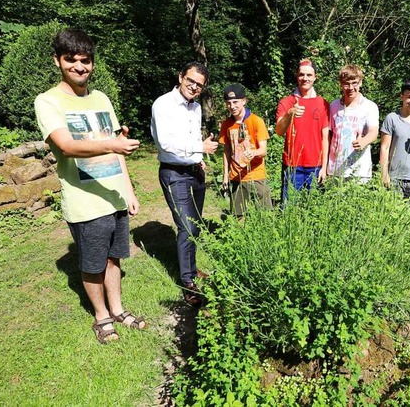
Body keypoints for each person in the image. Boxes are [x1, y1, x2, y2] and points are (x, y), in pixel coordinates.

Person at [34, 27, 145, 344]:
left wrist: (129, 190)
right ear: (58, 60)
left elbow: (117, 146)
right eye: (71, 60)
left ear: (92, 63)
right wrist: (113, 145)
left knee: (114, 259)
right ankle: (101, 317)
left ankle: (119, 310)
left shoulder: (101, 98)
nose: (79, 67)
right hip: (85, 202)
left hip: (114, 196)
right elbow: (66, 146)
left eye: (85, 60)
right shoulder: (48, 101)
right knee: (94, 263)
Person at [150, 61, 219, 307]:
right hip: (174, 174)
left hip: (194, 171)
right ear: (181, 77)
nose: (194, 87)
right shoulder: (163, 104)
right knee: (187, 228)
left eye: (199, 85)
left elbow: (190, 137)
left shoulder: (196, 108)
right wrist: (199, 147)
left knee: (195, 225)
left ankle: (190, 268)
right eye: (190, 81)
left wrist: (198, 159)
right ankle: (187, 283)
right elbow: (166, 143)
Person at [275, 58, 330, 201]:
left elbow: (325, 138)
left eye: (309, 75)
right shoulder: (286, 102)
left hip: (316, 167)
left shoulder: (323, 103)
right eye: (301, 75)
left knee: (313, 210)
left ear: (315, 77)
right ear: (296, 76)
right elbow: (279, 131)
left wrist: (324, 167)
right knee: (289, 210)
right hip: (292, 166)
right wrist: (290, 113)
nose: (305, 78)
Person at [218, 84, 273, 217]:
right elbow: (226, 152)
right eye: (229, 103)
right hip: (237, 177)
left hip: (256, 175)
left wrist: (253, 153)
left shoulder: (256, 121)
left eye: (235, 102)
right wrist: (226, 176)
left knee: (265, 215)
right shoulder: (226, 124)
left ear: (244, 101)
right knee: (238, 216)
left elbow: (263, 150)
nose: (232, 106)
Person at [327, 64, 379, 182]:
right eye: (346, 83)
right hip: (335, 171)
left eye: (354, 83)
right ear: (341, 84)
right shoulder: (334, 106)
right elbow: (328, 137)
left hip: (359, 172)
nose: (350, 87)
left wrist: (364, 141)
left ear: (360, 82)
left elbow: (373, 132)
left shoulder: (369, 106)